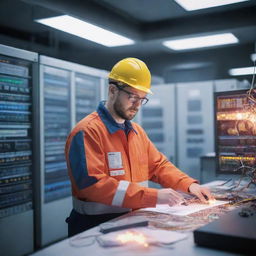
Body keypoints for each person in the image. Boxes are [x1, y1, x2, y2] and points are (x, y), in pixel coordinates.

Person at [65, 57, 214, 237]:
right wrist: (154, 196)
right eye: (132, 96)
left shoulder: (136, 132)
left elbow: (158, 166)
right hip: (93, 228)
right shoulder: (87, 132)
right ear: (112, 90)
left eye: (142, 99)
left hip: (130, 221)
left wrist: (189, 185)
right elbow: (94, 185)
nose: (137, 105)